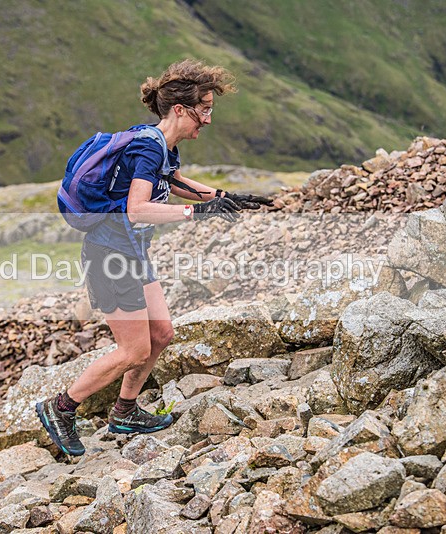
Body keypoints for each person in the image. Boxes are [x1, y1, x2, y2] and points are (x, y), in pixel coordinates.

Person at [36, 59, 273, 456]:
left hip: (132, 252)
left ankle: (125, 412)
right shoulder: (148, 147)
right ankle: (61, 407)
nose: (209, 119)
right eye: (205, 108)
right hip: (110, 257)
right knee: (133, 350)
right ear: (180, 109)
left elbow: (174, 181)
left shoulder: (160, 145)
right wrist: (196, 212)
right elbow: (137, 208)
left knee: (161, 334)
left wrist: (220, 197)